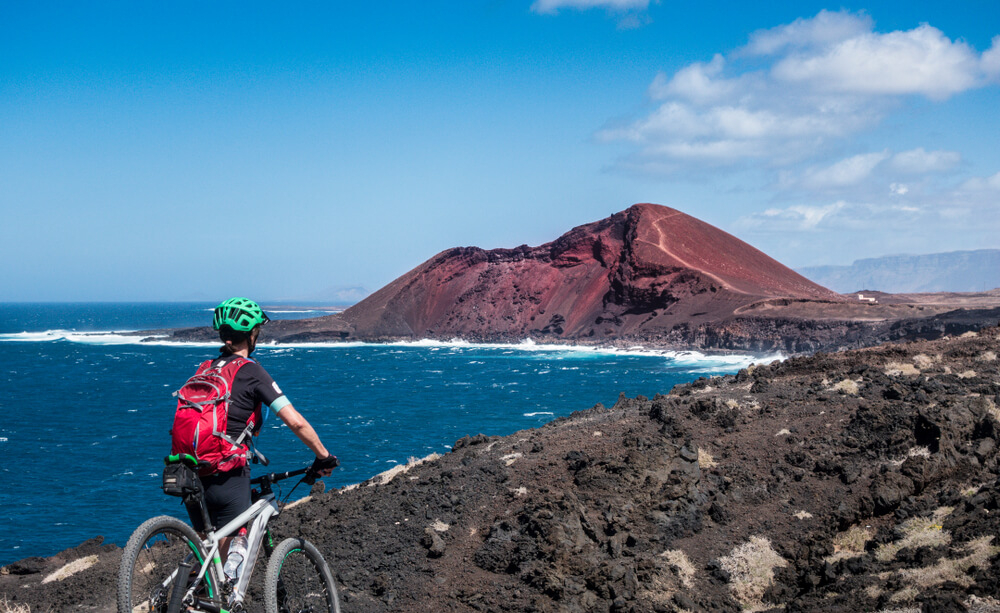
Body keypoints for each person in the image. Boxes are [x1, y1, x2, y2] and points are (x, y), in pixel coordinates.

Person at [184, 297, 338, 542]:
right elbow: (295, 421)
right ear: (251, 334)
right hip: (226, 471)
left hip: (189, 470)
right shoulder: (250, 370)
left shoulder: (206, 368)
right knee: (232, 547)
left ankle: (190, 579)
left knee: (206, 552)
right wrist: (323, 456)